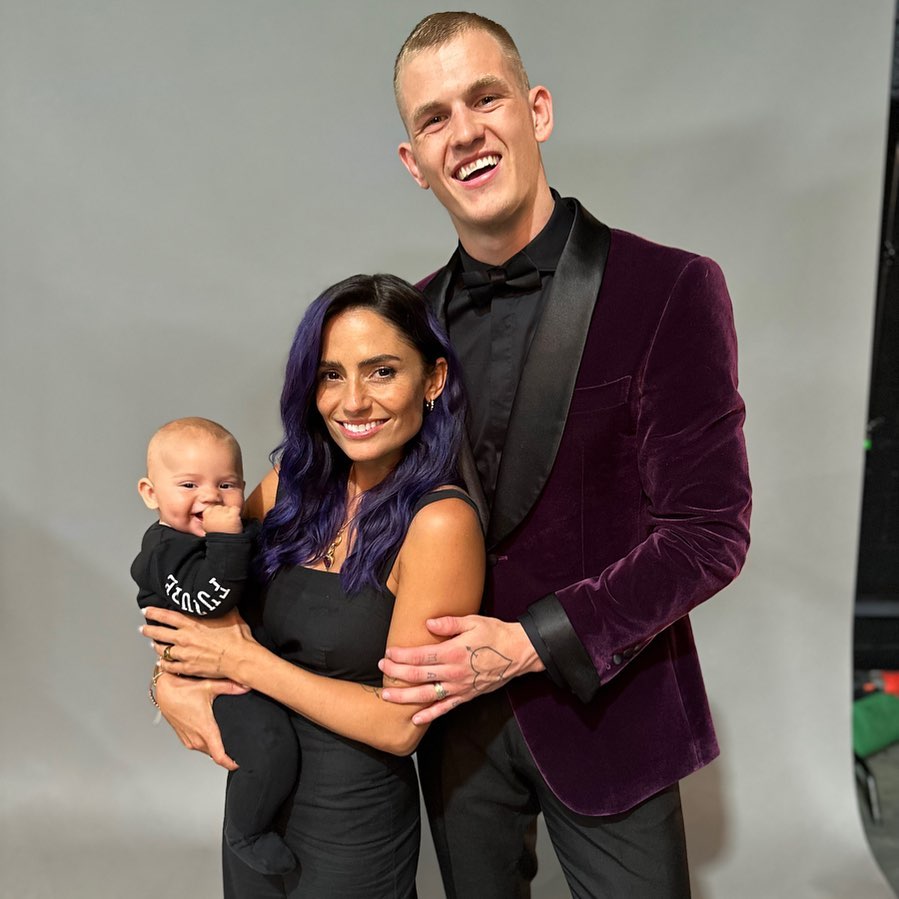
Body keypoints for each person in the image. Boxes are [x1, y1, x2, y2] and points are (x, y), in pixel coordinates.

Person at [375, 12, 752, 898]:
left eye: (485, 98)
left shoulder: (670, 288)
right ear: (412, 161)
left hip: (610, 716)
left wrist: (526, 645)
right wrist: (203, 651)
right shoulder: (404, 326)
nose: (463, 131)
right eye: (433, 118)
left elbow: (707, 533)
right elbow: (342, 514)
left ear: (536, 111)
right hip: (453, 729)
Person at [142, 273, 485, 898]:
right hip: (256, 805)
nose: (353, 401)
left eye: (381, 371)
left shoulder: (439, 523)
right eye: (331, 375)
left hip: (350, 828)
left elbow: (400, 725)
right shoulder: (286, 490)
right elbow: (192, 596)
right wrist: (166, 685)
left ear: (432, 380)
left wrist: (245, 662)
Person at [132, 417, 298, 876]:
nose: (209, 497)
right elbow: (210, 601)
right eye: (189, 484)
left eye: (227, 484)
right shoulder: (162, 551)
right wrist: (228, 538)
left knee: (276, 740)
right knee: (268, 745)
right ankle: (247, 830)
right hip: (207, 679)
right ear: (150, 494)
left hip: (241, 667)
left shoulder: (224, 533)